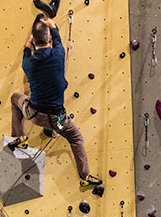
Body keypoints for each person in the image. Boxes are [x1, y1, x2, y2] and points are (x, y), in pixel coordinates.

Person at [6, 14, 102, 195]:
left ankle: (19, 138)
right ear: (49, 39)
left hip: (34, 114)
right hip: (58, 119)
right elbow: (56, 36)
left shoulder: (28, 64)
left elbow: (26, 48)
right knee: (76, 139)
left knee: (14, 98)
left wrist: (31, 39)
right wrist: (52, 25)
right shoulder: (58, 54)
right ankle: (85, 177)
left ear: (34, 41)